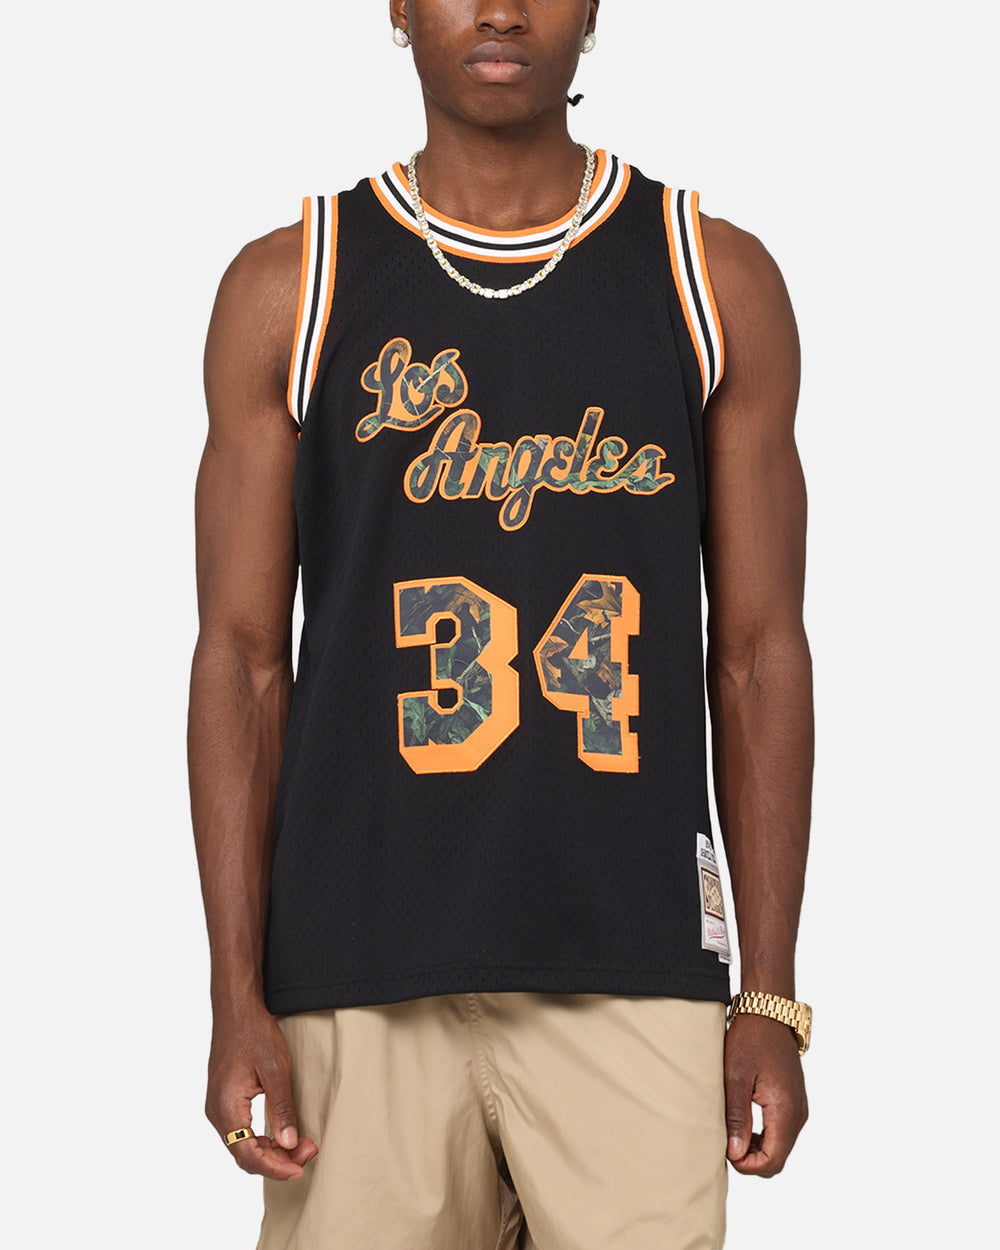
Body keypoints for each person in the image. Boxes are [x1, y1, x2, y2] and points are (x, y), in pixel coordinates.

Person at [188, 3, 813, 1247]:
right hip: (358, 967)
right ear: (397, 7)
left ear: (594, 10)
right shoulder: (292, 283)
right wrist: (234, 993)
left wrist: (769, 996)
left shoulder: (709, 276)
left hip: (631, 959)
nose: (499, 9)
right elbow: (243, 661)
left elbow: (756, 655)